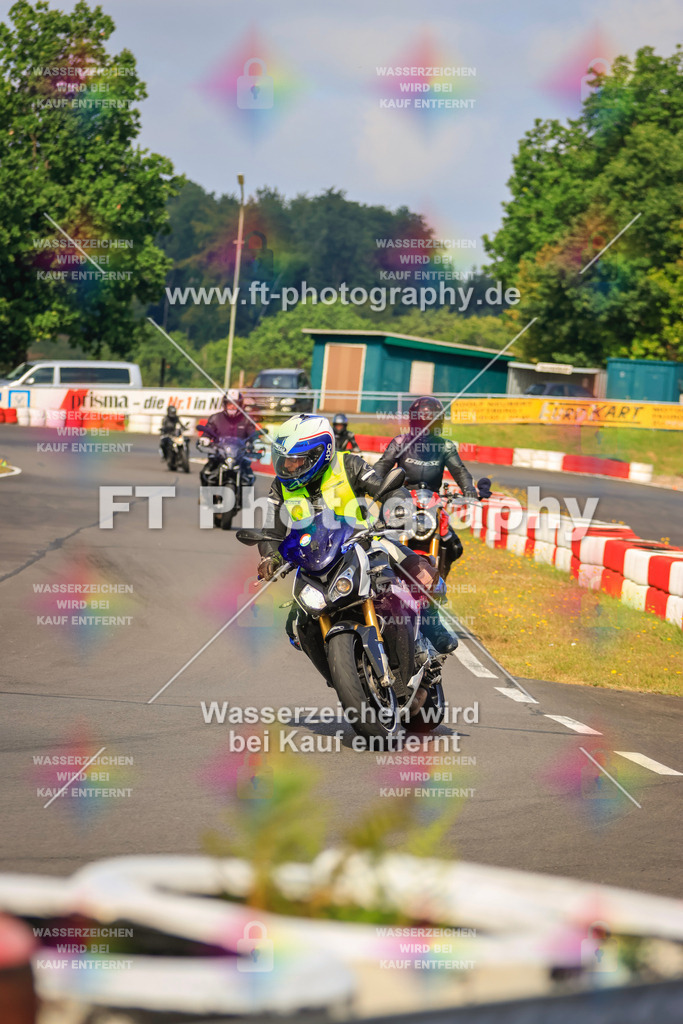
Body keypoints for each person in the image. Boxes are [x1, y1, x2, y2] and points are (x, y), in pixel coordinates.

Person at [255, 413, 458, 689]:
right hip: (317, 561)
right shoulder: (280, 487)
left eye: (297, 460)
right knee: (296, 625)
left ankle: (434, 629)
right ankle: (341, 674)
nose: (289, 467)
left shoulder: (347, 464)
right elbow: (270, 529)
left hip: (363, 541)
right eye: (285, 460)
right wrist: (271, 556)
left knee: (419, 572)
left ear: (320, 453)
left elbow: (385, 487)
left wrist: (396, 508)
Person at [373, 396, 478, 578]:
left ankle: (440, 582)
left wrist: (470, 490)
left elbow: (460, 471)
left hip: (432, 503)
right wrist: (373, 484)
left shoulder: (445, 447)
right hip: (400, 499)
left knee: (453, 545)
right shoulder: (400, 443)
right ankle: (378, 577)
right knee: (377, 536)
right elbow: (381, 467)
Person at [198, 390, 263, 487]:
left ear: (240, 405)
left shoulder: (246, 419)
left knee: (249, 476)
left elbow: (252, 433)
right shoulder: (215, 418)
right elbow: (208, 431)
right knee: (206, 472)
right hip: (219, 454)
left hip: (240, 455)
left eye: (235, 404)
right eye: (229, 404)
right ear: (225, 404)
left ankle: (246, 499)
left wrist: (256, 441)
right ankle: (206, 498)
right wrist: (205, 438)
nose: (232, 406)